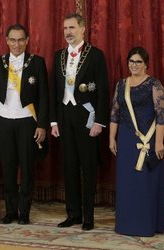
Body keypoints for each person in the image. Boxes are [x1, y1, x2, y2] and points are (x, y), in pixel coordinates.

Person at [50, 13, 109, 231]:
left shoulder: (96, 55)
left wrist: (99, 122)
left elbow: (103, 91)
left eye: (72, 27)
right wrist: (53, 121)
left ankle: (88, 217)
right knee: (70, 167)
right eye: (65, 28)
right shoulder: (58, 56)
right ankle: (73, 214)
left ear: (83, 29)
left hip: (87, 117)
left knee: (88, 167)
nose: (68, 32)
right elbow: (55, 91)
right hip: (65, 116)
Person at [0, 24, 49, 225]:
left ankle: (24, 212)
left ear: (27, 40)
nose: (16, 44)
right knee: (8, 167)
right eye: (12, 40)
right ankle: (11, 211)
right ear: (6, 41)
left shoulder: (37, 63)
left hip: (27, 121)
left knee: (27, 168)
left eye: (20, 39)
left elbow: (44, 97)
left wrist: (41, 125)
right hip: (3, 120)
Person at [109, 46, 164, 236]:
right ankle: (126, 225)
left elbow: (162, 116)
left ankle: (147, 225)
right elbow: (114, 114)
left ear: (146, 64)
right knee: (127, 184)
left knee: (145, 184)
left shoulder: (154, 85)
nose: (134, 65)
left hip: (148, 141)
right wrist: (111, 138)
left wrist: (159, 142)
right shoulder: (121, 85)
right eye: (131, 61)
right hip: (126, 140)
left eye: (138, 62)